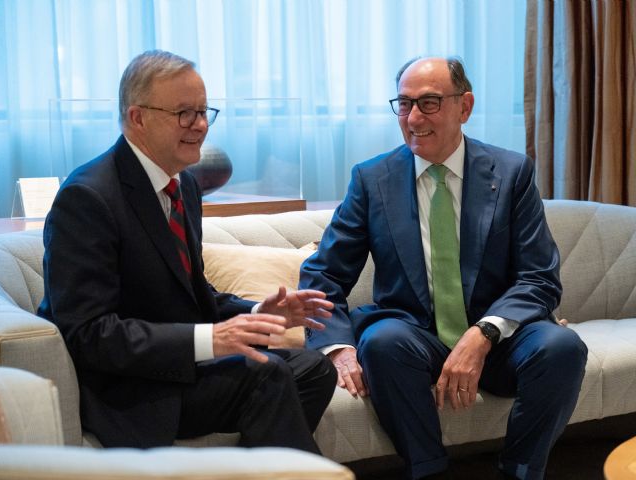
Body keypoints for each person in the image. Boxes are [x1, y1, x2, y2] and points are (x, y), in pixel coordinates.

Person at [299, 56, 588, 479]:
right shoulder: (372, 178)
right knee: (381, 341)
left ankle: (521, 471)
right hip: (415, 339)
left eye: (430, 103)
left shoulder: (511, 173)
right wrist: (337, 347)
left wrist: (484, 332)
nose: (414, 117)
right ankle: (428, 471)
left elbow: (539, 277)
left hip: (502, 341)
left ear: (464, 107)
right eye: (404, 103)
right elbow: (325, 273)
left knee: (564, 347)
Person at [38, 49, 337, 452]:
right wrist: (210, 339)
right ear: (137, 117)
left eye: (203, 112)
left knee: (314, 368)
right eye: (184, 113)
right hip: (132, 388)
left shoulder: (185, 186)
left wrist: (255, 314)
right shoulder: (87, 197)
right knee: (266, 375)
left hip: (184, 370)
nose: (199, 126)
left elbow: (191, 292)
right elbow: (90, 334)